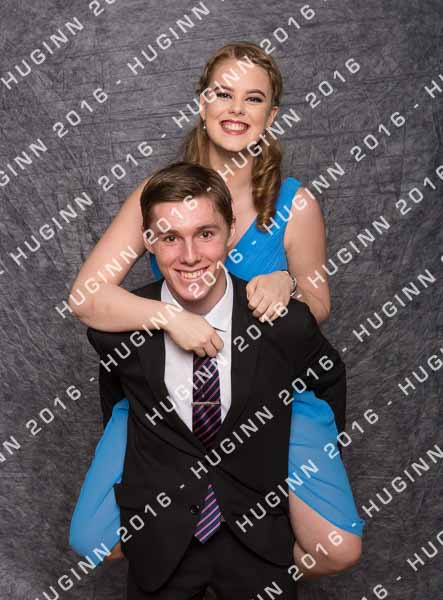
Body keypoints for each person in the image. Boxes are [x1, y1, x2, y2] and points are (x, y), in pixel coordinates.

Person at [69, 42, 364, 576]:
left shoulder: (295, 203)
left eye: (253, 98)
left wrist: (286, 284)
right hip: (169, 398)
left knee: (338, 549)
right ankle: (195, 548)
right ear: (202, 104)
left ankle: (242, 560)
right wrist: (171, 318)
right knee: (92, 541)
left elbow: (318, 305)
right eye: (223, 94)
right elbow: (86, 297)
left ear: (272, 115)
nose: (236, 109)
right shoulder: (159, 193)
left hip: (269, 396)